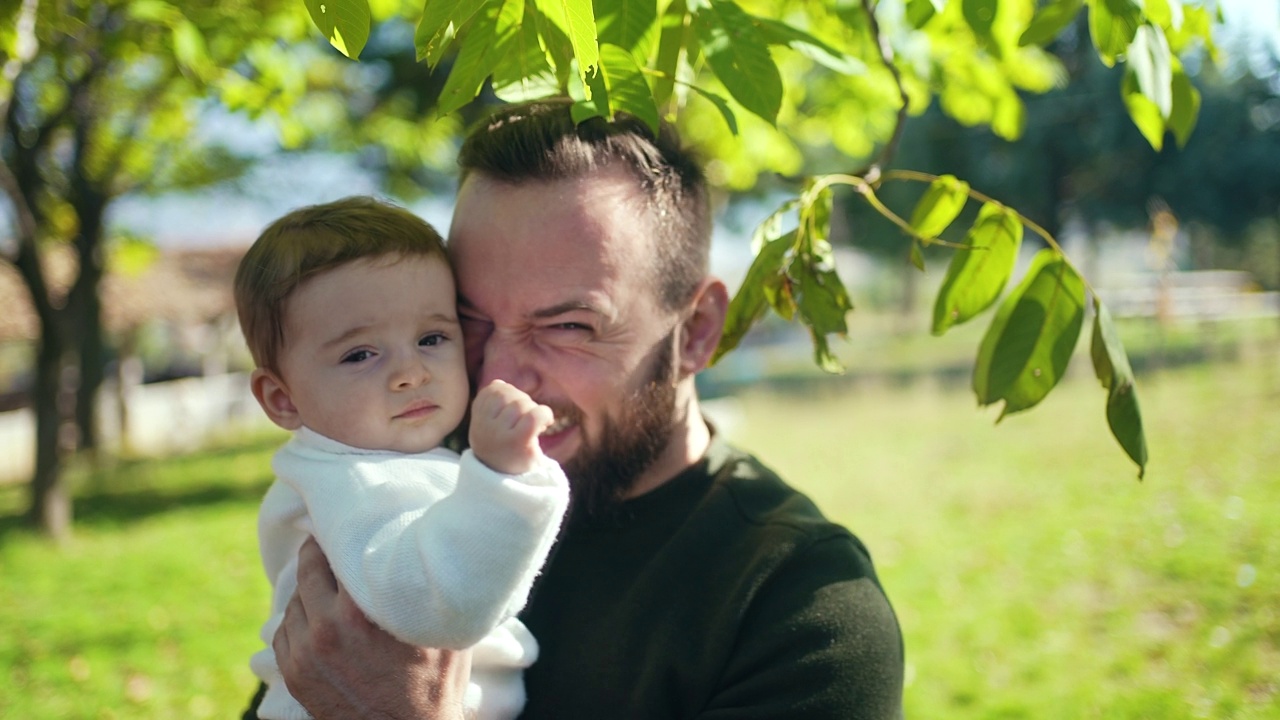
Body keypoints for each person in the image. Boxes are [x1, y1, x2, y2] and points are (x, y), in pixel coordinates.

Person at [246, 100, 904, 719]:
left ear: (698, 330)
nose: (500, 376)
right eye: (466, 321)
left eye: (568, 327)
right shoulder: (409, 493)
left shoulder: (800, 607)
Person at [234, 196, 570, 720]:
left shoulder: (370, 461)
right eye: (360, 354)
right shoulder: (355, 483)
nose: (410, 372)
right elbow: (441, 606)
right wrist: (503, 478)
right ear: (283, 399)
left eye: (431, 338)